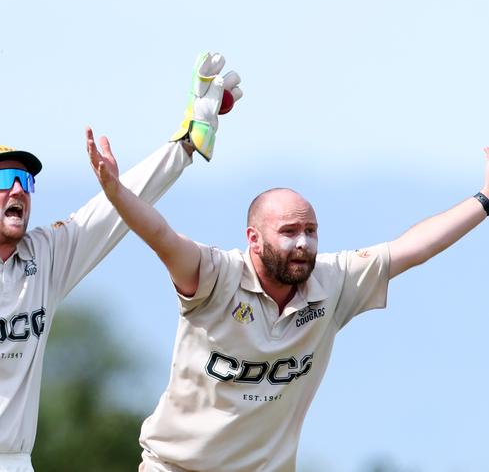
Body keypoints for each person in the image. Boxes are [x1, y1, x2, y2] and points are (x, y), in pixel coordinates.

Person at [0, 8, 242, 472]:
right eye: (3, 178)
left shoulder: (45, 257)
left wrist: (185, 144)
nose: (19, 189)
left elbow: (115, 210)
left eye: (26, 179)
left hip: (13, 462)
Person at [88, 122, 489, 470]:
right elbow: (161, 237)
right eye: (289, 232)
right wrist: (118, 193)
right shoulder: (215, 274)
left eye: (310, 231)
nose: (303, 243)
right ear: (254, 239)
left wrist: (485, 199)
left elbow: (414, 248)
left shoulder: (333, 282)